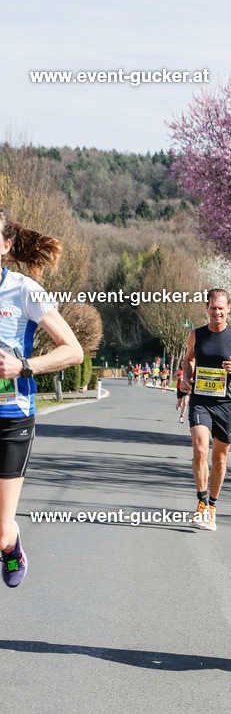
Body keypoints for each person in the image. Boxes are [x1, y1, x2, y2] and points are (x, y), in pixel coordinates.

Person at [0, 209, 83, 587]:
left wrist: (23, 367)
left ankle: (10, 544)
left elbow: (74, 351)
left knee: (0, 531)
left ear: (5, 245)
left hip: (11, 417)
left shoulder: (23, 289)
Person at [180, 289, 231, 532]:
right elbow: (188, 360)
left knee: (219, 458)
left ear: (229, 308)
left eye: (221, 307)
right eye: (212, 307)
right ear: (207, 308)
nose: (216, 311)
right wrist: (185, 379)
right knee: (200, 449)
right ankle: (201, 502)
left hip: (226, 404)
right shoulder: (196, 335)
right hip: (200, 400)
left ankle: (212, 506)